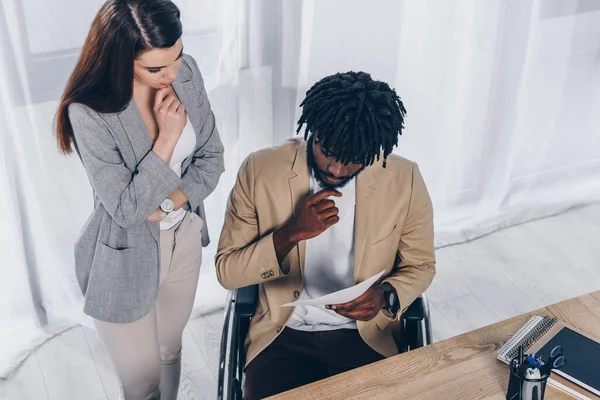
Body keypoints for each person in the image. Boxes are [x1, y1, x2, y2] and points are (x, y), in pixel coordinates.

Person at [216, 71, 436, 400]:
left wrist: (385, 295)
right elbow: (227, 270)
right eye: (327, 150)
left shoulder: (404, 180)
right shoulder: (260, 171)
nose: (335, 169)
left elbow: (421, 265)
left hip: (365, 337)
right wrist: (289, 234)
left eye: (352, 161)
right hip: (283, 335)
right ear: (313, 130)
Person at [55, 1, 224, 398]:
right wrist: (167, 139)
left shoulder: (187, 73)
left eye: (177, 57)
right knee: (142, 383)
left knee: (170, 351)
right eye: (155, 69)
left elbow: (212, 157)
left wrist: (167, 206)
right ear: (120, 58)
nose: (172, 76)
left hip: (183, 240)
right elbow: (128, 210)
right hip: (123, 256)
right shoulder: (90, 112)